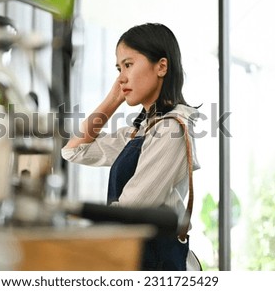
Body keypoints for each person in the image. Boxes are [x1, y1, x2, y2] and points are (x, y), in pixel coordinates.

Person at [61, 23, 200, 270]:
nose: (121, 77)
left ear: (161, 66)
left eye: (128, 64)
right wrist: (113, 99)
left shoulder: (171, 129)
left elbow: (128, 210)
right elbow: (74, 150)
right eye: (118, 68)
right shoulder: (142, 129)